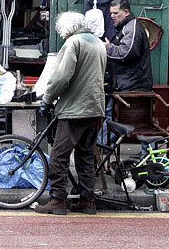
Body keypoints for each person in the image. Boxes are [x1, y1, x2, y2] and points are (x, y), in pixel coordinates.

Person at [34, 11, 106, 216]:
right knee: (85, 156)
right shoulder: (98, 43)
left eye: (61, 32)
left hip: (75, 110)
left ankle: (57, 200)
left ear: (66, 29)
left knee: (59, 155)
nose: (62, 37)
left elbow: (61, 77)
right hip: (95, 109)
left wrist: (47, 100)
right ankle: (87, 201)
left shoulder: (74, 43)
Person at [103, 0, 153, 157]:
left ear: (126, 12)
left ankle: (97, 152)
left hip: (130, 87)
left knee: (114, 121)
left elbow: (127, 53)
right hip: (127, 85)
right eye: (111, 13)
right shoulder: (126, 27)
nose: (112, 16)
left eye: (116, 13)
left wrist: (107, 48)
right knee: (136, 122)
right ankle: (148, 154)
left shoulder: (133, 27)